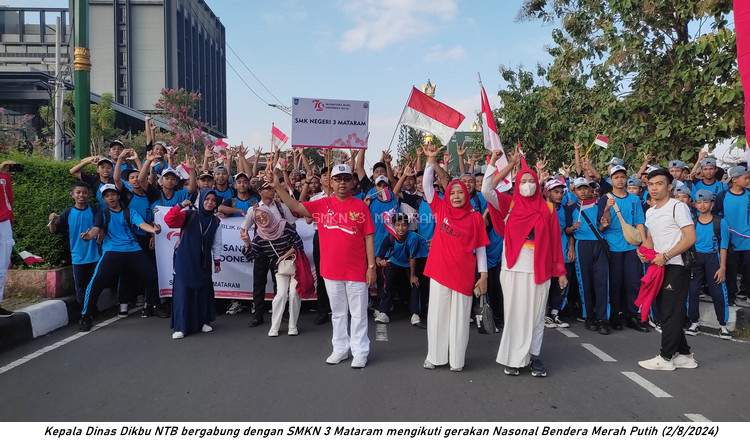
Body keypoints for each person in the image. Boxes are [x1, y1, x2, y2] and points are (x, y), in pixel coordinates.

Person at [271, 163, 376, 368]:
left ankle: (360, 351)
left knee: (358, 313)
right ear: (331, 182)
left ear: (352, 182)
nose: (342, 183)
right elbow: (294, 207)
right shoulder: (321, 204)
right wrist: (277, 186)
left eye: (346, 179)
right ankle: (340, 348)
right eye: (338, 179)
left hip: (356, 270)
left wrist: (371, 267)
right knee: (337, 313)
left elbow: (369, 238)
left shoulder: (361, 206)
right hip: (331, 270)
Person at [484, 150, 567, 377]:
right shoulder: (509, 204)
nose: (528, 185)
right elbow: (486, 189)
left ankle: (534, 357)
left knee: (536, 315)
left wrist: (560, 271)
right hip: (512, 269)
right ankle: (513, 358)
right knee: (514, 314)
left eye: (532, 181)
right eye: (524, 181)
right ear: (517, 183)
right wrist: (506, 164)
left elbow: (555, 243)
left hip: (539, 271)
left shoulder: (548, 209)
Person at [421, 143, 489, 372]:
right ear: (447, 195)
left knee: (460, 319)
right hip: (440, 271)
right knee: (437, 316)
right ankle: (435, 356)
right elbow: (427, 187)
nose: (457, 196)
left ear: (467, 194)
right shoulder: (440, 209)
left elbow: (480, 248)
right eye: (453, 192)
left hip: (463, 273)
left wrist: (483, 275)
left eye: (461, 192)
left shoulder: (475, 217)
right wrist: (430, 161)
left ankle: (457, 360)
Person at [78, 184, 162, 331]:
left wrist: (153, 230)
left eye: (113, 194)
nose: (110, 197)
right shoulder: (103, 213)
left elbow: (142, 224)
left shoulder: (130, 212)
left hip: (133, 249)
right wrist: (89, 236)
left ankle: (153, 306)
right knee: (96, 281)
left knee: (152, 276)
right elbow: (96, 229)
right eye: (107, 195)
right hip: (112, 250)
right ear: (104, 199)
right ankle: (86, 316)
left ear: (118, 196)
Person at [637, 169, 697, 371]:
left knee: (670, 311)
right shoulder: (651, 212)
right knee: (666, 311)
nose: (654, 187)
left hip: (677, 266)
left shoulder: (677, 207)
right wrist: (644, 252)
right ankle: (685, 355)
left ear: (669, 186)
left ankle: (666, 357)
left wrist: (666, 255)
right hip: (659, 266)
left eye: (659, 183)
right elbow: (651, 239)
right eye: (651, 184)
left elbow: (690, 238)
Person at [163, 190, 223, 339]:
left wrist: (217, 260)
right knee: (183, 291)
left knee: (203, 291)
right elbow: (169, 220)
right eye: (207, 199)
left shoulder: (216, 221)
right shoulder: (189, 215)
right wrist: (179, 206)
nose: (210, 202)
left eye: (213, 201)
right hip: (185, 258)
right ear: (201, 200)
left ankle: (203, 321)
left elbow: (217, 243)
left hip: (203, 261)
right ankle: (181, 327)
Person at [599, 165, 648, 332]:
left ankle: (632, 315)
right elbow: (602, 225)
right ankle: (615, 315)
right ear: (610, 180)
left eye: (622, 176)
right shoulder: (605, 198)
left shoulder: (634, 199)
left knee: (633, 282)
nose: (620, 180)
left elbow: (640, 222)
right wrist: (606, 208)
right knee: (615, 283)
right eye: (616, 177)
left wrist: (643, 244)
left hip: (632, 245)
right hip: (612, 246)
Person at [241, 206, 304, 337]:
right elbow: (252, 256)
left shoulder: (284, 226)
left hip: (296, 265)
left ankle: (293, 326)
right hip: (279, 268)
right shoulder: (259, 236)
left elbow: (299, 244)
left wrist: (283, 256)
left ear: (269, 213)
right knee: (280, 295)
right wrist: (247, 243)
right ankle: (274, 326)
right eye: (257, 218)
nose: (261, 218)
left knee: (293, 294)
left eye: (263, 215)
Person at [566, 177, 611, 334]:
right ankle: (589, 316)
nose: (584, 191)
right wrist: (572, 229)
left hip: (599, 245)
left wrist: (604, 225)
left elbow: (602, 225)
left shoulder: (599, 205)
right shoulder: (571, 209)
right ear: (575, 191)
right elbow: (567, 231)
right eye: (580, 188)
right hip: (582, 246)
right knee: (584, 282)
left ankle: (603, 318)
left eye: (586, 188)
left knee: (602, 282)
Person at [686, 190, 730, 340]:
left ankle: (723, 325)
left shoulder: (720, 222)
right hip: (696, 259)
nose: (702, 205)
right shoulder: (693, 222)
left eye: (706, 202)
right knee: (692, 291)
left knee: (717, 292)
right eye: (699, 202)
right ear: (695, 204)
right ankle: (694, 322)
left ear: (712, 204)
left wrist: (722, 267)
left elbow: (723, 246)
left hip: (713, 259)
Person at [48, 183, 101, 309]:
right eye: (78, 192)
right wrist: (52, 223)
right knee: (80, 287)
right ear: (72, 195)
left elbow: (98, 226)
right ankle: (85, 313)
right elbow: (57, 230)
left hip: (94, 255)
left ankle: (91, 309)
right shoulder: (68, 213)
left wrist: (91, 234)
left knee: (93, 285)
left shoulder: (94, 209)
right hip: (77, 256)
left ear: (88, 194)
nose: (81, 195)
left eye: (84, 192)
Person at [714, 165, 750, 308]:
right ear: (734, 180)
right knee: (731, 269)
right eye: (745, 178)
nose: (747, 181)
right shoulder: (723, 196)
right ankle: (730, 296)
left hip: (747, 239)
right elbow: (716, 215)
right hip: (729, 240)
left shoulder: (748, 195)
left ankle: (746, 292)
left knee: (748, 267)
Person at [375, 213, 420, 324]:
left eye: (404, 225)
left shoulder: (413, 237)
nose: (401, 228)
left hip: (409, 264)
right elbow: (378, 257)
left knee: (415, 282)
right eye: (398, 225)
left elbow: (412, 257)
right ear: (394, 226)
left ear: (408, 226)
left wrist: (412, 275)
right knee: (387, 278)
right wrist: (381, 262)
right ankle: (384, 312)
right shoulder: (390, 237)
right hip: (394, 262)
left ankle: (415, 313)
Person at [543, 177, 572, 328]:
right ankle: (544, 314)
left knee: (561, 284)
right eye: (555, 192)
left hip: (562, 252)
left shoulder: (566, 209)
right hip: (546, 254)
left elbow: (568, 230)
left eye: (561, 192)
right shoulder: (542, 208)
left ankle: (555, 313)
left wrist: (571, 247)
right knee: (546, 284)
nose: (559, 195)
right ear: (547, 192)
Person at [0, 161, 17, 317]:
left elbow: (9, 200)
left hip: (3, 222)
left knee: (2, 266)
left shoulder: (3, 177)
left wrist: (4, 174)